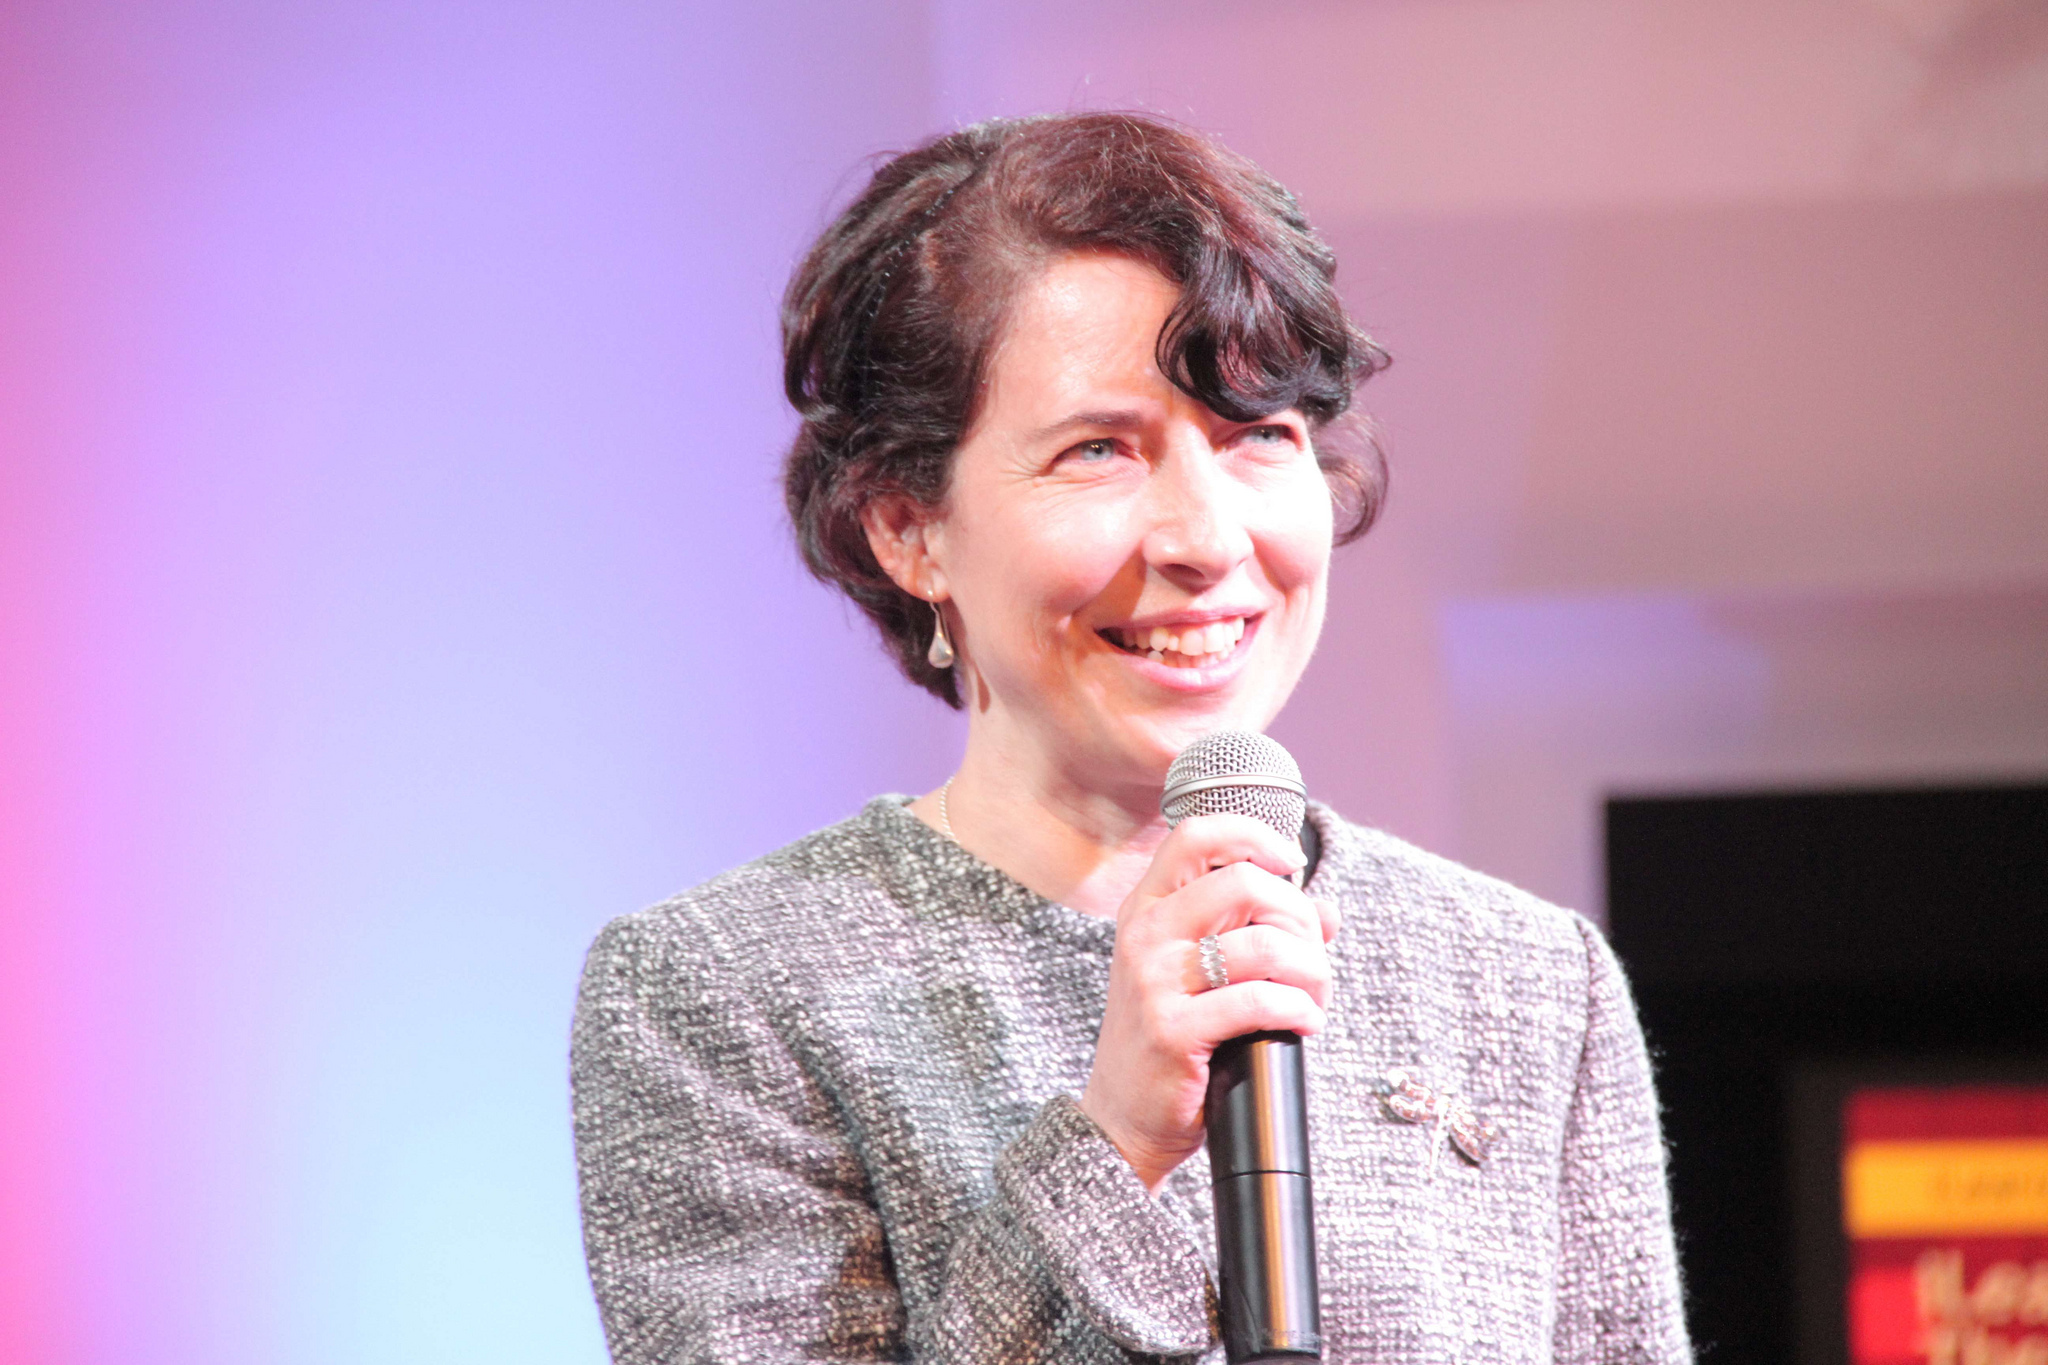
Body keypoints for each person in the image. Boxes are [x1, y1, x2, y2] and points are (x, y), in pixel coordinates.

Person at [571, 112, 1690, 1364]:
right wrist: (1113, 1147)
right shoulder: (725, 992)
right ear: (905, 527)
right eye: (1098, 450)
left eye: (1256, 435)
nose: (1204, 539)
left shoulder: (1526, 979)